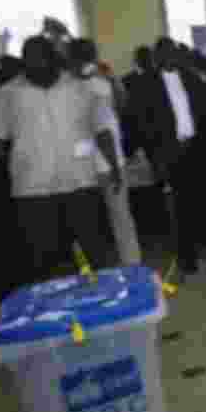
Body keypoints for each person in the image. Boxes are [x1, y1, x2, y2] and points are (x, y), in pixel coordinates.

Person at [0, 36, 121, 289]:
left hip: (80, 184)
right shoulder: (9, 93)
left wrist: (114, 166)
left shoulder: (80, 88)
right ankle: (51, 314)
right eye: (30, 60)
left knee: (94, 250)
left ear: (54, 59)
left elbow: (101, 129)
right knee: (41, 259)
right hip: (33, 190)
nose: (36, 65)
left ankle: (104, 302)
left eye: (41, 58)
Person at [123, 37, 206, 278]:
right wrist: (154, 155)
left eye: (173, 52)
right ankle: (187, 256)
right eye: (164, 53)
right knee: (180, 209)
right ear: (156, 57)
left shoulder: (192, 78)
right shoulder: (145, 84)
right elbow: (140, 122)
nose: (170, 57)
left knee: (203, 201)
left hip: (196, 148)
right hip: (169, 152)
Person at [70, 38, 143, 266]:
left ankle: (107, 267)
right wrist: (113, 165)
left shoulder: (96, 80)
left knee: (96, 222)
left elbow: (121, 105)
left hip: (84, 160)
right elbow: (105, 126)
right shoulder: (81, 84)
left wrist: (111, 78)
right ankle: (130, 266)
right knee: (119, 220)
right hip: (102, 160)